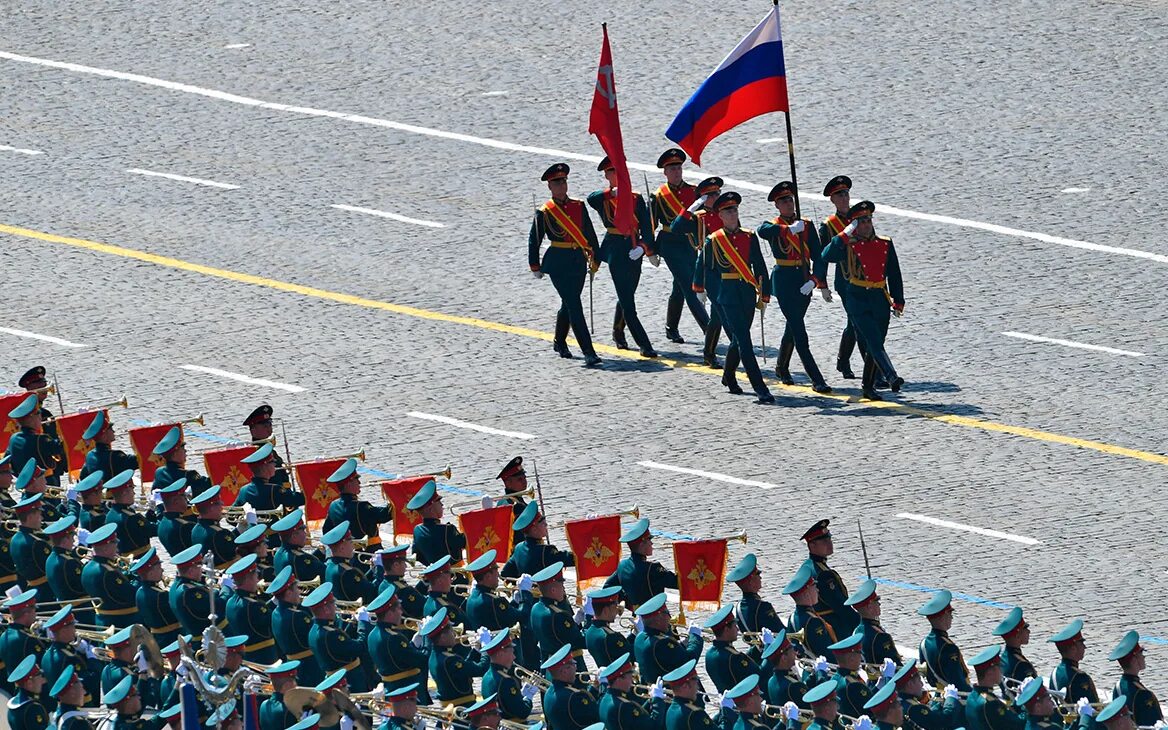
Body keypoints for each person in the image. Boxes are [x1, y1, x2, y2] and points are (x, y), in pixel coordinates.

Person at [693, 192, 773, 403]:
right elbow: (706, 269)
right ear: (720, 215)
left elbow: (759, 264)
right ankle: (760, 387)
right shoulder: (715, 240)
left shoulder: (748, 236)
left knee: (739, 338)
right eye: (728, 210)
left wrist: (765, 292)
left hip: (746, 292)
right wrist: (709, 293)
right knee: (745, 342)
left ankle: (728, 375)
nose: (733, 213)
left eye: (735, 209)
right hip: (726, 295)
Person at [820, 201, 906, 399]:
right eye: (861, 221)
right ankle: (891, 376)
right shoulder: (847, 245)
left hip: (879, 298)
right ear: (854, 225)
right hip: (857, 297)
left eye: (868, 220)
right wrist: (843, 235)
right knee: (873, 341)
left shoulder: (884, 243)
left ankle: (868, 386)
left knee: (877, 343)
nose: (867, 224)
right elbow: (826, 255)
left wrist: (898, 299)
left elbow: (894, 273)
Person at [757, 181, 831, 392]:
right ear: (777, 206)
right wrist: (787, 229)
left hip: (803, 280)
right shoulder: (774, 226)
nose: (788, 204)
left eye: (790, 199)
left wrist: (815, 280)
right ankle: (816, 378)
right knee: (799, 330)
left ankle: (781, 366)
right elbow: (762, 230)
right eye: (783, 201)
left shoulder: (806, 225)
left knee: (793, 324)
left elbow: (819, 256)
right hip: (784, 282)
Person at [529, 162, 604, 367]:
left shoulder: (578, 206)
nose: (561, 186)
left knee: (569, 303)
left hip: (578, 261)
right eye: (556, 183)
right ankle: (588, 351)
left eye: (563, 181)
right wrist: (534, 265)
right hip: (558, 264)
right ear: (550, 187)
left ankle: (559, 341)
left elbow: (589, 232)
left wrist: (595, 257)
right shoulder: (545, 211)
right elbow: (534, 239)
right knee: (574, 305)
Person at [587, 155, 659, 357]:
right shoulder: (604, 199)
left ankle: (618, 330)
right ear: (607, 176)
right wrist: (613, 193)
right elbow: (591, 199)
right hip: (615, 249)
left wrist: (644, 248)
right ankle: (644, 344)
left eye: (619, 171)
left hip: (633, 248)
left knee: (627, 294)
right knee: (628, 300)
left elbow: (647, 228)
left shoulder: (636, 199)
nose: (616, 175)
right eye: (612, 172)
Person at [650, 148, 710, 345]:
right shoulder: (659, 195)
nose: (676, 171)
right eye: (672, 168)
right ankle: (709, 330)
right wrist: (650, 250)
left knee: (679, 286)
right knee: (689, 285)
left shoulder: (694, 191)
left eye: (678, 167)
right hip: (670, 243)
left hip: (690, 243)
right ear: (665, 172)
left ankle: (671, 326)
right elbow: (651, 224)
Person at [671, 176, 726, 368]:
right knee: (719, 313)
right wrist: (692, 207)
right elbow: (676, 227)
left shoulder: (725, 213)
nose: (716, 197)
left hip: (728, 270)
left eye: (717, 193)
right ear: (703, 197)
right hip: (709, 271)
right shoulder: (698, 217)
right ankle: (711, 354)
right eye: (711, 195)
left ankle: (711, 352)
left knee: (723, 314)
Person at [816, 176, 863, 380]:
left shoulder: (861, 219)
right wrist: (822, 284)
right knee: (858, 321)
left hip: (865, 277)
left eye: (845, 193)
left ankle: (843, 360)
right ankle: (876, 371)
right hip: (845, 279)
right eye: (839, 195)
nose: (844, 198)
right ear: (832, 200)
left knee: (857, 322)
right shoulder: (829, 225)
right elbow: (822, 258)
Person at [366, 585, 432, 705]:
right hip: (407, 690)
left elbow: (400, 657)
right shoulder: (394, 637)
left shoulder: (372, 634)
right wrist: (427, 636)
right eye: (398, 609)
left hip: (392, 689)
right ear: (390, 613)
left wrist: (413, 643)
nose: (401, 612)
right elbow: (423, 659)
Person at [304, 582, 370, 693]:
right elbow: (360, 647)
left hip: (336, 679)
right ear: (326, 609)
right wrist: (363, 623)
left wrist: (353, 623)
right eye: (332, 604)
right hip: (351, 680)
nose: (335, 607)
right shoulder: (330, 634)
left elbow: (340, 644)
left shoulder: (314, 630)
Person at [801, 520, 859, 638]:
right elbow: (841, 607)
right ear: (812, 545)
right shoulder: (823, 575)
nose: (829, 543)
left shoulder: (808, 566)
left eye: (829, 538)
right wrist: (862, 624)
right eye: (824, 540)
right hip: (837, 628)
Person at [604, 518, 676, 610]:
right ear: (642, 544)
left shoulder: (622, 566)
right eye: (649, 539)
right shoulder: (652, 569)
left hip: (638, 617)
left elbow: (607, 588)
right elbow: (679, 583)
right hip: (656, 619)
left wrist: (629, 604)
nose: (652, 543)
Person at [634, 592, 703, 685]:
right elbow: (688, 661)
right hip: (671, 691)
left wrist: (681, 645)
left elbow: (668, 658)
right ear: (658, 619)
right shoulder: (662, 643)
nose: (670, 617)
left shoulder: (639, 637)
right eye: (667, 613)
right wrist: (695, 637)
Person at [267, 566, 320, 687]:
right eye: (296, 589)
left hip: (293, 664)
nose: (299, 592)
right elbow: (317, 637)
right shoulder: (298, 616)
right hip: (310, 668)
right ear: (289, 593)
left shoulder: (275, 613)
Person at [423, 607, 487, 707]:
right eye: (451, 631)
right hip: (463, 707)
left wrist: (476, 650)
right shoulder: (449, 659)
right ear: (443, 637)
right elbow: (480, 669)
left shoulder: (437, 654)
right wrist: (486, 647)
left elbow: (463, 669)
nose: (454, 634)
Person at [530, 561, 587, 671]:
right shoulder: (559, 615)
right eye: (562, 585)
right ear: (553, 590)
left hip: (551, 665)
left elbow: (561, 633)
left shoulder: (536, 608)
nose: (564, 589)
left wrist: (575, 622)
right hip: (569, 668)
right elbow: (583, 642)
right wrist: (589, 618)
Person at [323, 457, 391, 547]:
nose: (359, 482)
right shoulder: (361, 507)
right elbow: (385, 515)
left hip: (347, 552)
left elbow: (326, 531)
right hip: (368, 553)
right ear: (348, 484)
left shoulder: (333, 505)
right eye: (356, 479)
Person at [80, 522, 136, 628]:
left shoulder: (88, 567)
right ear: (105, 548)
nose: (117, 546)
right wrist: (138, 577)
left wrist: (126, 574)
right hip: (122, 621)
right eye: (114, 542)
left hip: (103, 619)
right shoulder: (108, 572)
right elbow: (131, 594)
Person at [224, 553, 277, 664]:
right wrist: (276, 601)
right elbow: (273, 620)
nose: (258, 579)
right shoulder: (252, 605)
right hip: (264, 657)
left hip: (247, 657)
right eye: (255, 575)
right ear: (249, 578)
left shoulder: (230, 602)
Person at [4, 392, 65, 487]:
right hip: (45, 483)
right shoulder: (40, 440)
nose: (41, 417)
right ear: (31, 418)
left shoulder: (14, 438)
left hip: (26, 484)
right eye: (38, 414)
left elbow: (9, 463)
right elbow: (63, 446)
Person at [917, 590, 971, 693]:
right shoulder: (948, 648)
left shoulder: (923, 644)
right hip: (957, 699)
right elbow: (958, 682)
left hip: (938, 696)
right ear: (943, 616)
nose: (951, 617)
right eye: (950, 613)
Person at [703, 603, 762, 697]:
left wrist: (757, 648)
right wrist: (770, 649)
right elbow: (759, 674)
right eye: (735, 626)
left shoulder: (710, 654)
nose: (737, 629)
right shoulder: (732, 657)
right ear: (726, 629)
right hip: (745, 702)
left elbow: (742, 663)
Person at [168, 544, 227, 637]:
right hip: (209, 639)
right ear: (191, 571)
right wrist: (226, 588)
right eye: (200, 565)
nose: (202, 569)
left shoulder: (176, 585)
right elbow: (219, 606)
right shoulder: (189, 593)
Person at [408, 480, 467, 571]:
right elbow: (469, 541)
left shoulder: (417, 530)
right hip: (455, 576)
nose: (442, 505)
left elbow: (418, 555)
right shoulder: (447, 530)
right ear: (431, 509)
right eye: (438, 502)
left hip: (433, 576)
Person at [599, 651, 667, 730]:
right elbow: (654, 726)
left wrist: (650, 700)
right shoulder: (624, 706)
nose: (632, 679)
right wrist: (657, 701)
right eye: (630, 676)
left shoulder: (606, 698)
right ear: (618, 679)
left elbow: (635, 717)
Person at [481, 628, 538, 721]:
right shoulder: (506, 681)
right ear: (500, 654)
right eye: (512, 652)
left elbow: (507, 702)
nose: (514, 657)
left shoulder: (486, 676)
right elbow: (523, 712)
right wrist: (528, 697)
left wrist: (520, 695)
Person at [1109, 630, 1162, 727]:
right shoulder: (1143, 694)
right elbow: (1156, 725)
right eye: (1140, 653)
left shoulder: (1117, 687)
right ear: (1134, 660)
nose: (1143, 656)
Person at [783, 563, 836, 661]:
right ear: (806, 593)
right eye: (814, 586)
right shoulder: (813, 622)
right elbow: (826, 652)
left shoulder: (793, 617)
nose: (817, 590)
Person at [965, 645, 1025, 730]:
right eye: (999, 667)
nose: (1001, 671)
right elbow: (1018, 723)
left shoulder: (972, 696)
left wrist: (1017, 702)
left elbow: (1005, 715)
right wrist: (1026, 703)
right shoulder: (991, 703)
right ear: (990, 672)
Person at [542, 643, 600, 730]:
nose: (576, 668)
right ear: (564, 671)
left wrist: (595, 687)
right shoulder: (573, 697)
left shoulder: (549, 693)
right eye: (573, 664)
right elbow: (597, 713)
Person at [131, 548, 181, 648]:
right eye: (159, 568)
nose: (162, 570)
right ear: (151, 573)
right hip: (172, 637)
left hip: (156, 637)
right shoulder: (160, 595)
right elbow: (177, 612)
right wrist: (175, 585)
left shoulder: (139, 592)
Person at [892, 659, 960, 730]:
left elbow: (929, 716)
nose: (921, 684)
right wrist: (951, 698)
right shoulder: (913, 708)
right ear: (910, 684)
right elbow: (944, 720)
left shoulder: (901, 701)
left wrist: (940, 703)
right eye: (919, 680)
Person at [728, 553, 784, 638]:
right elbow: (782, 633)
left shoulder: (739, 607)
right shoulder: (763, 607)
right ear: (751, 582)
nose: (760, 578)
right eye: (758, 574)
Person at [846, 579, 900, 667]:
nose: (879, 604)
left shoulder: (856, 631)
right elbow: (896, 665)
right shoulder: (881, 636)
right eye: (876, 601)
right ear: (870, 607)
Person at [235, 442, 303, 512]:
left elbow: (231, 518)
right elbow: (301, 499)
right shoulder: (274, 490)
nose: (275, 464)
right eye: (272, 461)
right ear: (264, 466)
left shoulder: (243, 490)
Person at [104, 468, 156, 559]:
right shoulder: (130, 517)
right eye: (132, 488)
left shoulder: (111, 514)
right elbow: (154, 530)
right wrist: (161, 509)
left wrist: (151, 512)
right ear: (125, 492)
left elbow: (143, 525)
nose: (134, 493)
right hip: (142, 558)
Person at [1047, 619, 1099, 704]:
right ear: (1073, 649)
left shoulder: (1055, 673)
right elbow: (1095, 707)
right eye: (1081, 643)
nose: (1084, 647)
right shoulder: (1080, 677)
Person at [149, 426, 212, 496]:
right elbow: (211, 485)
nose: (185, 450)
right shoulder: (189, 475)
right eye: (182, 448)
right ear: (175, 453)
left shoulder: (159, 472)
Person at [79, 410, 138, 481]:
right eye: (110, 429)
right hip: (114, 492)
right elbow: (138, 461)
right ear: (104, 434)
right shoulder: (114, 456)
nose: (113, 431)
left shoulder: (89, 455)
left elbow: (82, 476)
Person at [272, 508, 327, 583]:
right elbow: (324, 570)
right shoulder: (297, 559)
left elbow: (308, 564)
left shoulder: (280, 553)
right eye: (303, 530)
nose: (305, 534)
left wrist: (320, 552)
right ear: (294, 536)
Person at [243, 404, 290, 488]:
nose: (269, 429)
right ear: (253, 431)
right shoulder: (255, 453)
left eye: (270, 425)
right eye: (265, 426)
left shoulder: (270, 450)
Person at [583, 586, 629, 670]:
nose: (617, 609)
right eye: (615, 605)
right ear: (606, 610)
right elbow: (630, 654)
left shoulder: (590, 632)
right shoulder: (610, 637)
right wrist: (637, 633)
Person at [664, 659, 717, 730]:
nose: (698, 687)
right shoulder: (694, 714)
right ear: (685, 686)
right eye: (695, 681)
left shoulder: (671, 710)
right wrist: (727, 712)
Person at [190, 485, 235, 569]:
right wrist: (250, 525)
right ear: (211, 508)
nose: (223, 503)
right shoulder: (218, 534)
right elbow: (235, 552)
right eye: (218, 502)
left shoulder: (195, 529)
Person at [6, 654, 49, 730]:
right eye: (40, 676)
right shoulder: (33, 708)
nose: (43, 681)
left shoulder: (12, 707)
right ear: (29, 683)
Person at [993, 607, 1035, 683]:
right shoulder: (1022, 665)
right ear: (1017, 635)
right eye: (1025, 628)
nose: (1029, 631)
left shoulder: (1002, 658)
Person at [259, 660, 303, 730]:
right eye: (294, 681)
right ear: (286, 685)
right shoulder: (289, 710)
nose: (296, 685)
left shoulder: (263, 705)